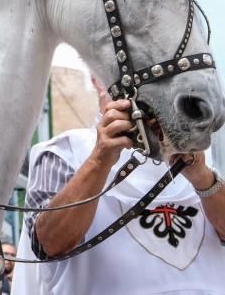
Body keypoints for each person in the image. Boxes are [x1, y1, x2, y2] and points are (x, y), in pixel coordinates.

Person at [12, 79, 225, 295]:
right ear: (96, 79)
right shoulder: (66, 152)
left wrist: (202, 177)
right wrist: (99, 160)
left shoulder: (200, 158)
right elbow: (49, 245)